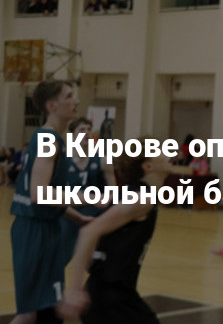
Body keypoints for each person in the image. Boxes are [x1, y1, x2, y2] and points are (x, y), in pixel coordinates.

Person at [58, 138, 170, 324]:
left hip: (110, 294)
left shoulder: (134, 194)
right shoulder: (141, 198)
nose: (168, 153)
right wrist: (74, 290)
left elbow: (100, 238)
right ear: (148, 166)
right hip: (111, 299)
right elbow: (89, 232)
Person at [9, 79, 88, 324]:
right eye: (69, 96)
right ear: (52, 105)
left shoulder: (50, 138)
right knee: (44, 311)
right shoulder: (48, 140)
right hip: (36, 231)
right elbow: (39, 194)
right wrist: (87, 197)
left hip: (40, 228)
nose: (76, 101)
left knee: (36, 311)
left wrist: (77, 217)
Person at [60, 117, 116, 264]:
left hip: (94, 218)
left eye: (89, 129)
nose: (86, 132)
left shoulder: (103, 160)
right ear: (72, 135)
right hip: (70, 216)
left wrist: (107, 200)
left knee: (96, 264)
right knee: (60, 260)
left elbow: (113, 192)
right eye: (82, 129)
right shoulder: (63, 161)